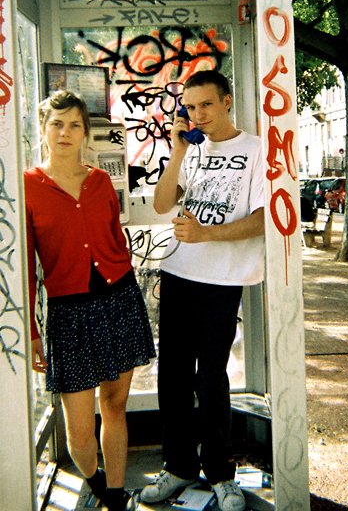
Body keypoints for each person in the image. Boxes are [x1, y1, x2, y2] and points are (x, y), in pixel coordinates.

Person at [25, 90, 155, 511]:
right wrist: (32, 332)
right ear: (44, 128)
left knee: (115, 405)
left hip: (118, 301)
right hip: (69, 315)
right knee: (79, 431)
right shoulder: (27, 187)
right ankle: (96, 480)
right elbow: (26, 267)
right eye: (57, 124)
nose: (65, 133)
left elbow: (115, 238)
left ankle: (116, 495)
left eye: (74, 125)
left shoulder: (99, 182)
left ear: (84, 132)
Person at [141, 70, 265, 511]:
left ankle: (219, 472)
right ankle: (177, 466)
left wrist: (207, 234)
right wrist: (177, 150)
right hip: (179, 272)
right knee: (173, 375)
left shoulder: (256, 150)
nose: (198, 115)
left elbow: (264, 218)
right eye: (191, 107)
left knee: (211, 376)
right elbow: (161, 204)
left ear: (227, 100)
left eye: (206, 104)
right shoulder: (190, 150)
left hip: (222, 280)